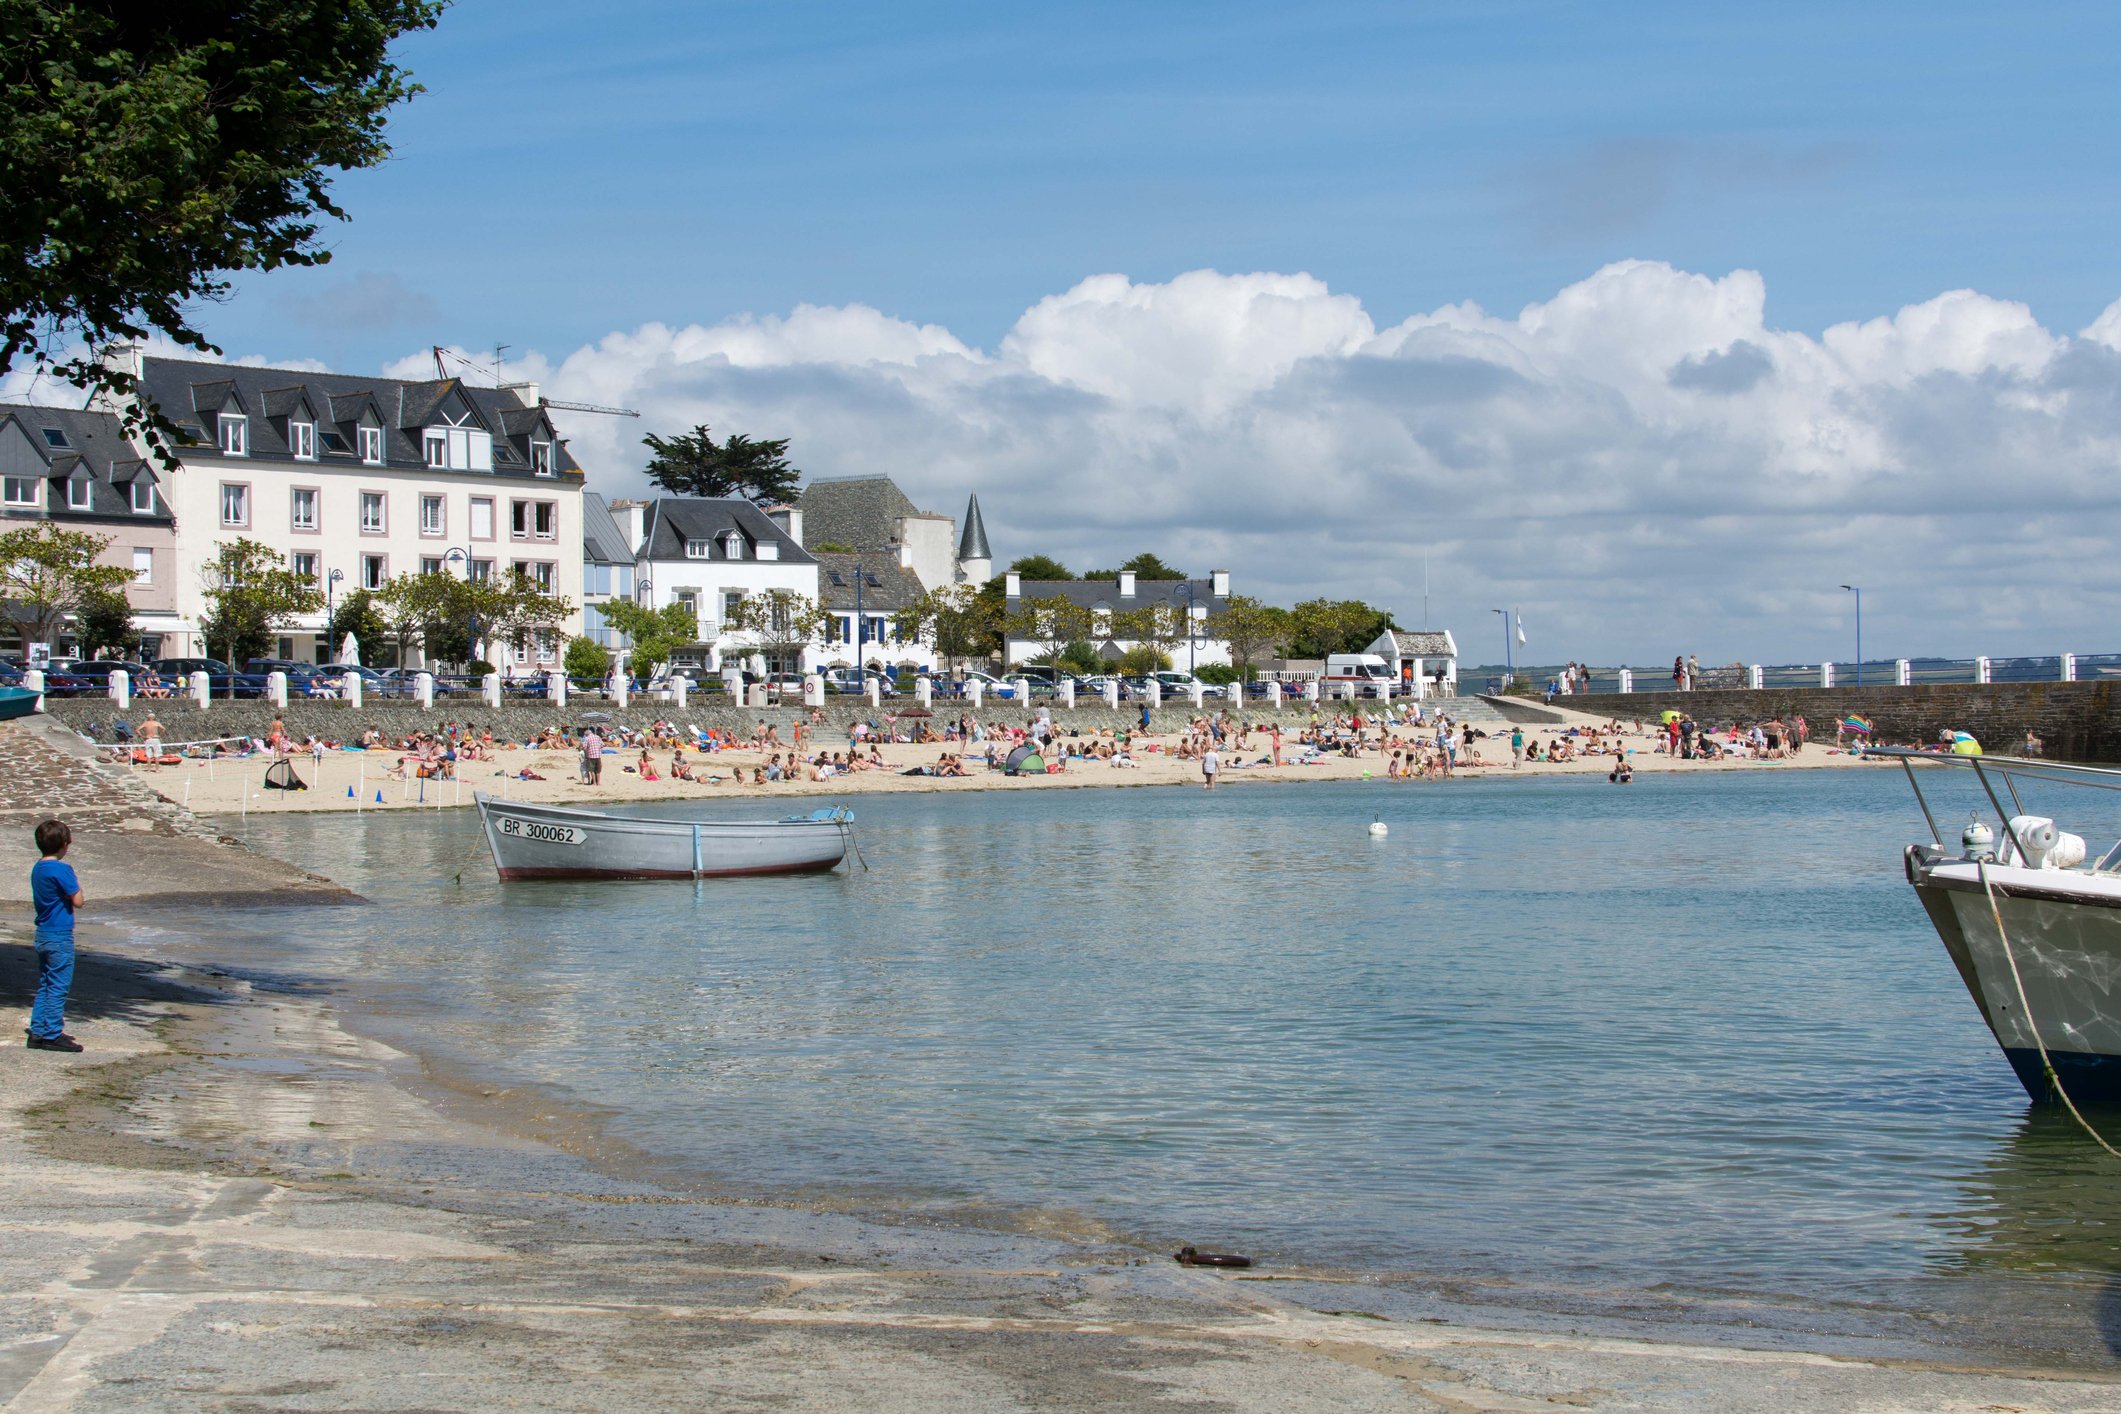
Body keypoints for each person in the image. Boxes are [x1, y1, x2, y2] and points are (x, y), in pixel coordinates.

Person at [27, 819, 83, 1052]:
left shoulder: (38, 868)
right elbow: (78, 901)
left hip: (43, 933)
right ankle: (51, 1033)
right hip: (60, 934)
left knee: (45, 984)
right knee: (58, 985)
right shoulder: (61, 869)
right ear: (64, 844)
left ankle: (38, 1031)